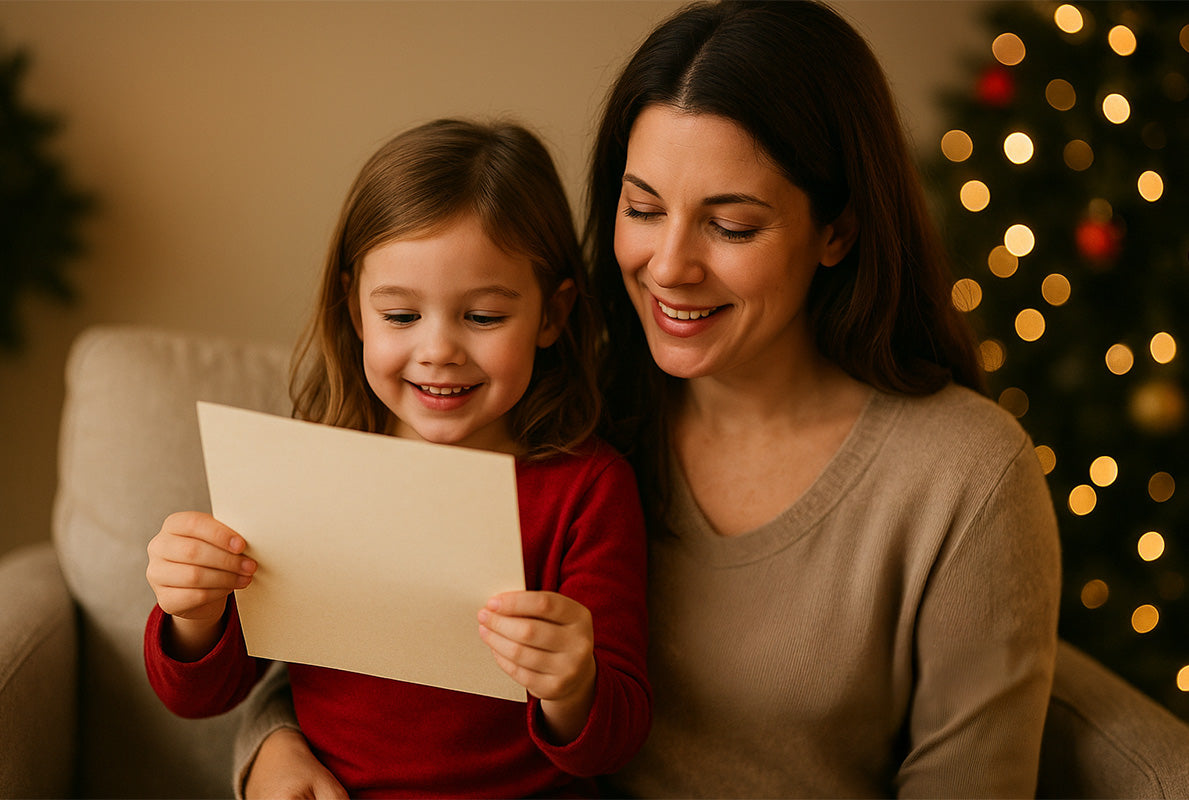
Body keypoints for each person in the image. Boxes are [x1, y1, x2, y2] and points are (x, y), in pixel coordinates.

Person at [236, 1, 1062, 797]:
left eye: (730, 226)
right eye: (641, 209)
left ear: (837, 229)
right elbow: (366, 654)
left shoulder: (962, 475)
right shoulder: (564, 414)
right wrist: (269, 746)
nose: (668, 265)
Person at [142, 118, 651, 799]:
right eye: (402, 316)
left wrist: (573, 684)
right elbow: (206, 693)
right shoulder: (312, 467)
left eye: (483, 316)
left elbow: (614, 739)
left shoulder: (586, 488)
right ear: (355, 311)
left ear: (552, 316)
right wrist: (192, 613)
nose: (438, 349)